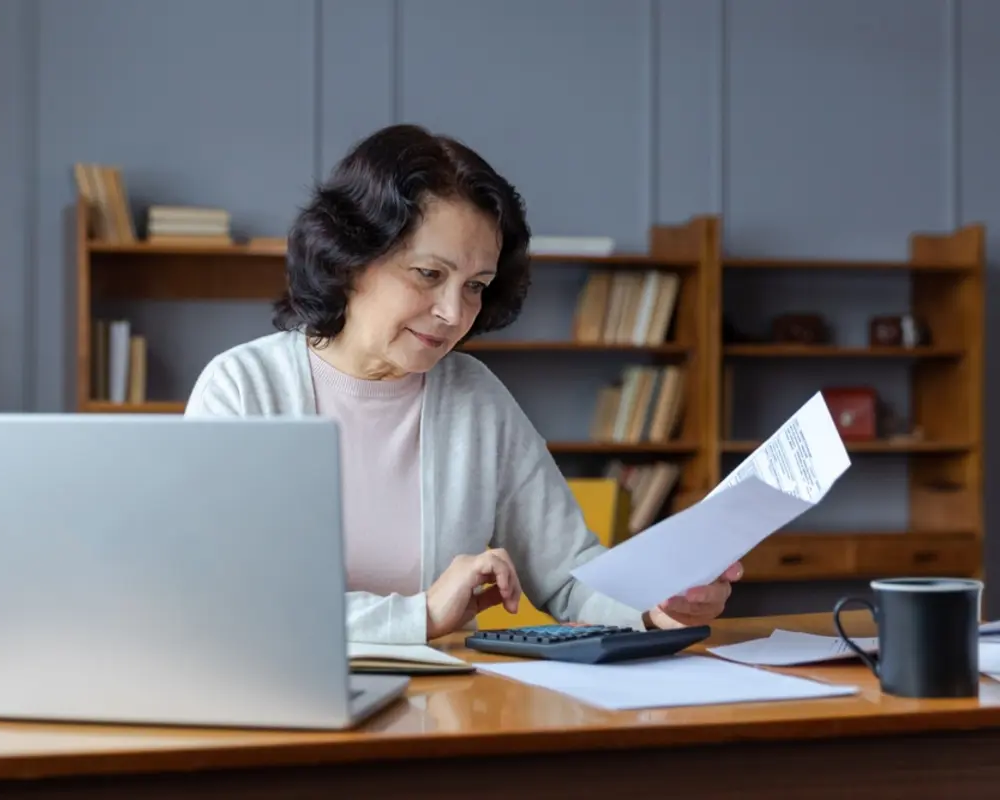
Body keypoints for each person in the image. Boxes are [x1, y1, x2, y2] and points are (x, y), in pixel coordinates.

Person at [184, 123, 741, 644]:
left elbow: (569, 579)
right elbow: (229, 604)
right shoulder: (243, 389)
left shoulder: (475, 396)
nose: (454, 312)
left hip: (441, 719)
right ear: (351, 259)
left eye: (476, 285)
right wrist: (419, 617)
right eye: (429, 275)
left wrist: (656, 609)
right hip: (277, 711)